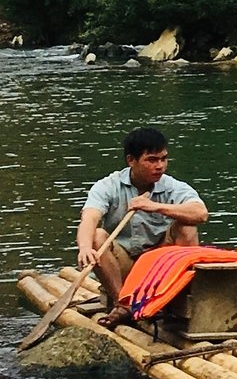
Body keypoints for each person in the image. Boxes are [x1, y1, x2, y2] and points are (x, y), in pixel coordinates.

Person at [76, 125, 209, 305]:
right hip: (123, 265)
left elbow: (201, 214)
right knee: (97, 236)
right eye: (152, 160)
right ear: (131, 160)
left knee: (187, 226)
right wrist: (84, 248)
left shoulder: (172, 186)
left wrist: (155, 207)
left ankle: (180, 296)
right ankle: (122, 303)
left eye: (163, 159)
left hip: (159, 263)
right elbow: (89, 218)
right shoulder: (108, 186)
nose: (160, 166)